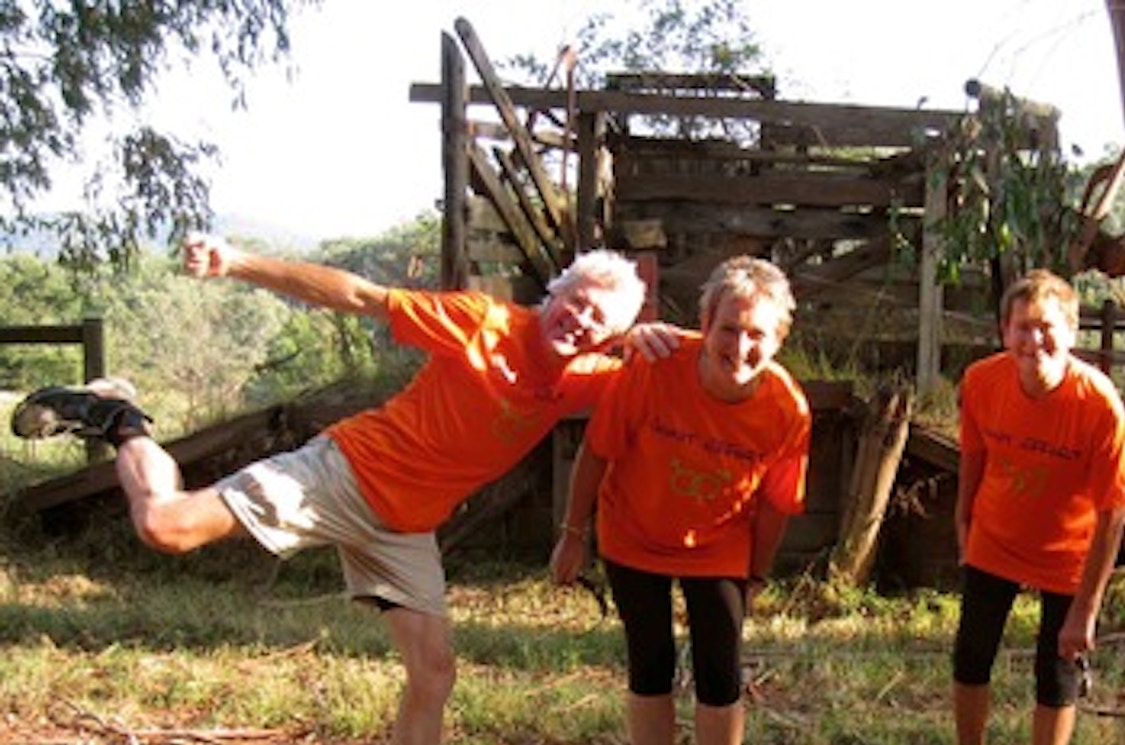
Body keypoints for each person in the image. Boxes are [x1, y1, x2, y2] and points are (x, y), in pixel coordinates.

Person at [9, 234, 655, 745]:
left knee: (433, 673)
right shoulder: (480, 322)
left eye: (600, 320)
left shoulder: (585, 378)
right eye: (577, 301)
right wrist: (237, 261)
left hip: (405, 527)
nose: (580, 321)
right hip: (345, 473)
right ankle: (118, 414)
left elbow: (705, 358)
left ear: (612, 337)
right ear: (556, 291)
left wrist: (662, 338)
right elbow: (357, 294)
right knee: (163, 524)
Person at [550, 255, 811, 745]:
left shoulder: (786, 409)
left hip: (718, 543)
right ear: (705, 325)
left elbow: (777, 505)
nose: (740, 347)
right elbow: (597, 451)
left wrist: (754, 575)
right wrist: (572, 535)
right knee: (650, 661)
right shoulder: (654, 366)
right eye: (729, 329)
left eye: (758, 335)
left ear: (779, 340)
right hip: (632, 533)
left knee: (720, 668)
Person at [951, 268, 1125, 745]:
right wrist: (963, 524)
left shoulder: (1099, 405)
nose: (1034, 340)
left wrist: (1085, 610)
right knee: (970, 656)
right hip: (995, 537)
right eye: (1022, 327)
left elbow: (1113, 511)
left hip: (1067, 554)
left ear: (1071, 332)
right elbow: (973, 456)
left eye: (1047, 327)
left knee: (1056, 675)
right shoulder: (981, 382)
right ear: (1004, 332)